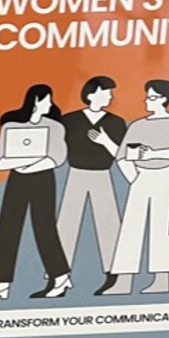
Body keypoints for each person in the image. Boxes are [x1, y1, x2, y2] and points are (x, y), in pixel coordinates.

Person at [0, 85, 72, 301]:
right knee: (8, 227)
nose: (50, 104)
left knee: (44, 227)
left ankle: (60, 277)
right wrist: (20, 163)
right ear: (36, 100)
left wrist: (26, 163)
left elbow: (57, 157)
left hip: (42, 179)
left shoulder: (55, 127)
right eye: (46, 100)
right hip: (17, 178)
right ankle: (1, 286)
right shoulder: (11, 126)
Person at [96, 80, 169, 295]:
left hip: (165, 177)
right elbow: (122, 156)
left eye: (152, 97)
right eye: (148, 97)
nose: (147, 101)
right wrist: (134, 178)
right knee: (131, 228)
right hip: (141, 177)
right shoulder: (137, 125)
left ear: (164, 99)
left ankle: (161, 280)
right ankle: (124, 281)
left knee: (162, 228)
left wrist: (156, 155)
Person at [57, 76, 127, 294]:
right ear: (92, 94)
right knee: (66, 225)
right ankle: (58, 277)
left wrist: (105, 142)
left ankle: (114, 275)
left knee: (109, 226)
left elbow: (121, 155)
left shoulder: (115, 122)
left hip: (102, 174)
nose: (111, 96)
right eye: (107, 92)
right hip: (76, 173)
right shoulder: (70, 120)